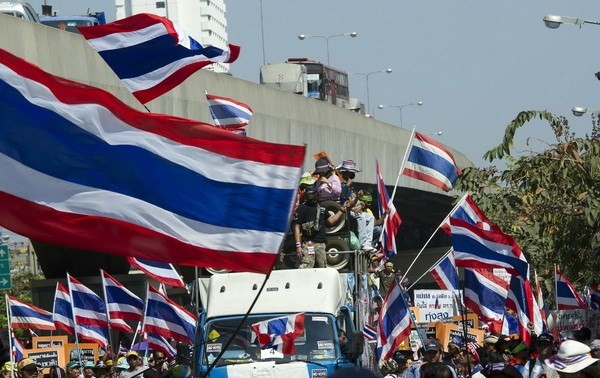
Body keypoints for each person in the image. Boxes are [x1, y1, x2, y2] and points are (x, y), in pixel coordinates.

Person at [293, 185, 349, 268]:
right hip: (308, 243)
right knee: (306, 266)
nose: (310, 195)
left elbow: (331, 221)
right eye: (308, 194)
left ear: (317, 195)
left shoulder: (322, 208)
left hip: (321, 244)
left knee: (322, 267)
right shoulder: (302, 208)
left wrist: (341, 210)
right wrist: (298, 246)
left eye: (312, 193)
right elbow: (297, 226)